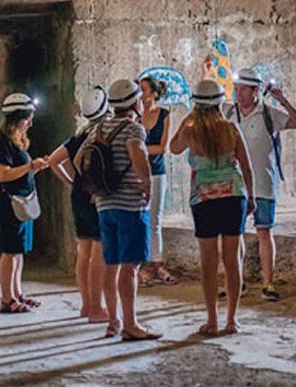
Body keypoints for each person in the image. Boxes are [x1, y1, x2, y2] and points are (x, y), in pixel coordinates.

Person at [170, 80, 256, 336]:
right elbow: (247, 168)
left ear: (196, 104)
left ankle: (212, 321)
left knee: (209, 265)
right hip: (233, 197)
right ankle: (232, 320)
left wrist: (187, 118)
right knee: (233, 261)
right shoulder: (232, 129)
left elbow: (173, 147)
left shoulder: (190, 131)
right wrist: (250, 197)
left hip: (204, 200)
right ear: (219, 102)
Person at [227, 67, 296, 301]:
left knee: (264, 232)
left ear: (256, 90)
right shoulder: (229, 114)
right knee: (234, 235)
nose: (238, 94)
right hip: (235, 185)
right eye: (236, 89)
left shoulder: (268, 114)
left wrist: (282, 99)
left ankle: (268, 283)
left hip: (263, 184)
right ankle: (235, 282)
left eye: (243, 89)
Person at [92, 79, 161, 341]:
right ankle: (131, 324)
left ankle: (113, 322)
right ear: (134, 102)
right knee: (130, 267)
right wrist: (147, 187)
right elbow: (138, 157)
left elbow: (82, 160)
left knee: (111, 265)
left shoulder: (101, 126)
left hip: (104, 204)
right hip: (130, 205)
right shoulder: (134, 128)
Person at [47, 86, 111, 323]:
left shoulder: (79, 135)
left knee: (83, 253)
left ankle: (86, 305)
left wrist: (72, 181)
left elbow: (54, 162)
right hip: (96, 196)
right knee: (99, 254)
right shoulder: (102, 132)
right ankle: (97, 308)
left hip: (79, 195)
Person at [0, 92, 49, 313]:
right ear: (15, 118)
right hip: (8, 202)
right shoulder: (3, 142)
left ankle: (17, 293)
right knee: (10, 251)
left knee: (18, 251)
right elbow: (2, 174)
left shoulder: (17, 140)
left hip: (21, 202)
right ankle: (7, 299)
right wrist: (30, 167)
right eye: (27, 118)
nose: (30, 123)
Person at [138, 76, 177, 287]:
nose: (141, 95)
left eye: (143, 90)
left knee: (155, 220)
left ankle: (157, 264)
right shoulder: (136, 117)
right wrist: (144, 151)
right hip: (137, 173)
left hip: (157, 172)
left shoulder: (164, 115)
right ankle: (141, 265)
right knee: (140, 219)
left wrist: (140, 150)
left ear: (153, 93)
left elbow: (162, 148)